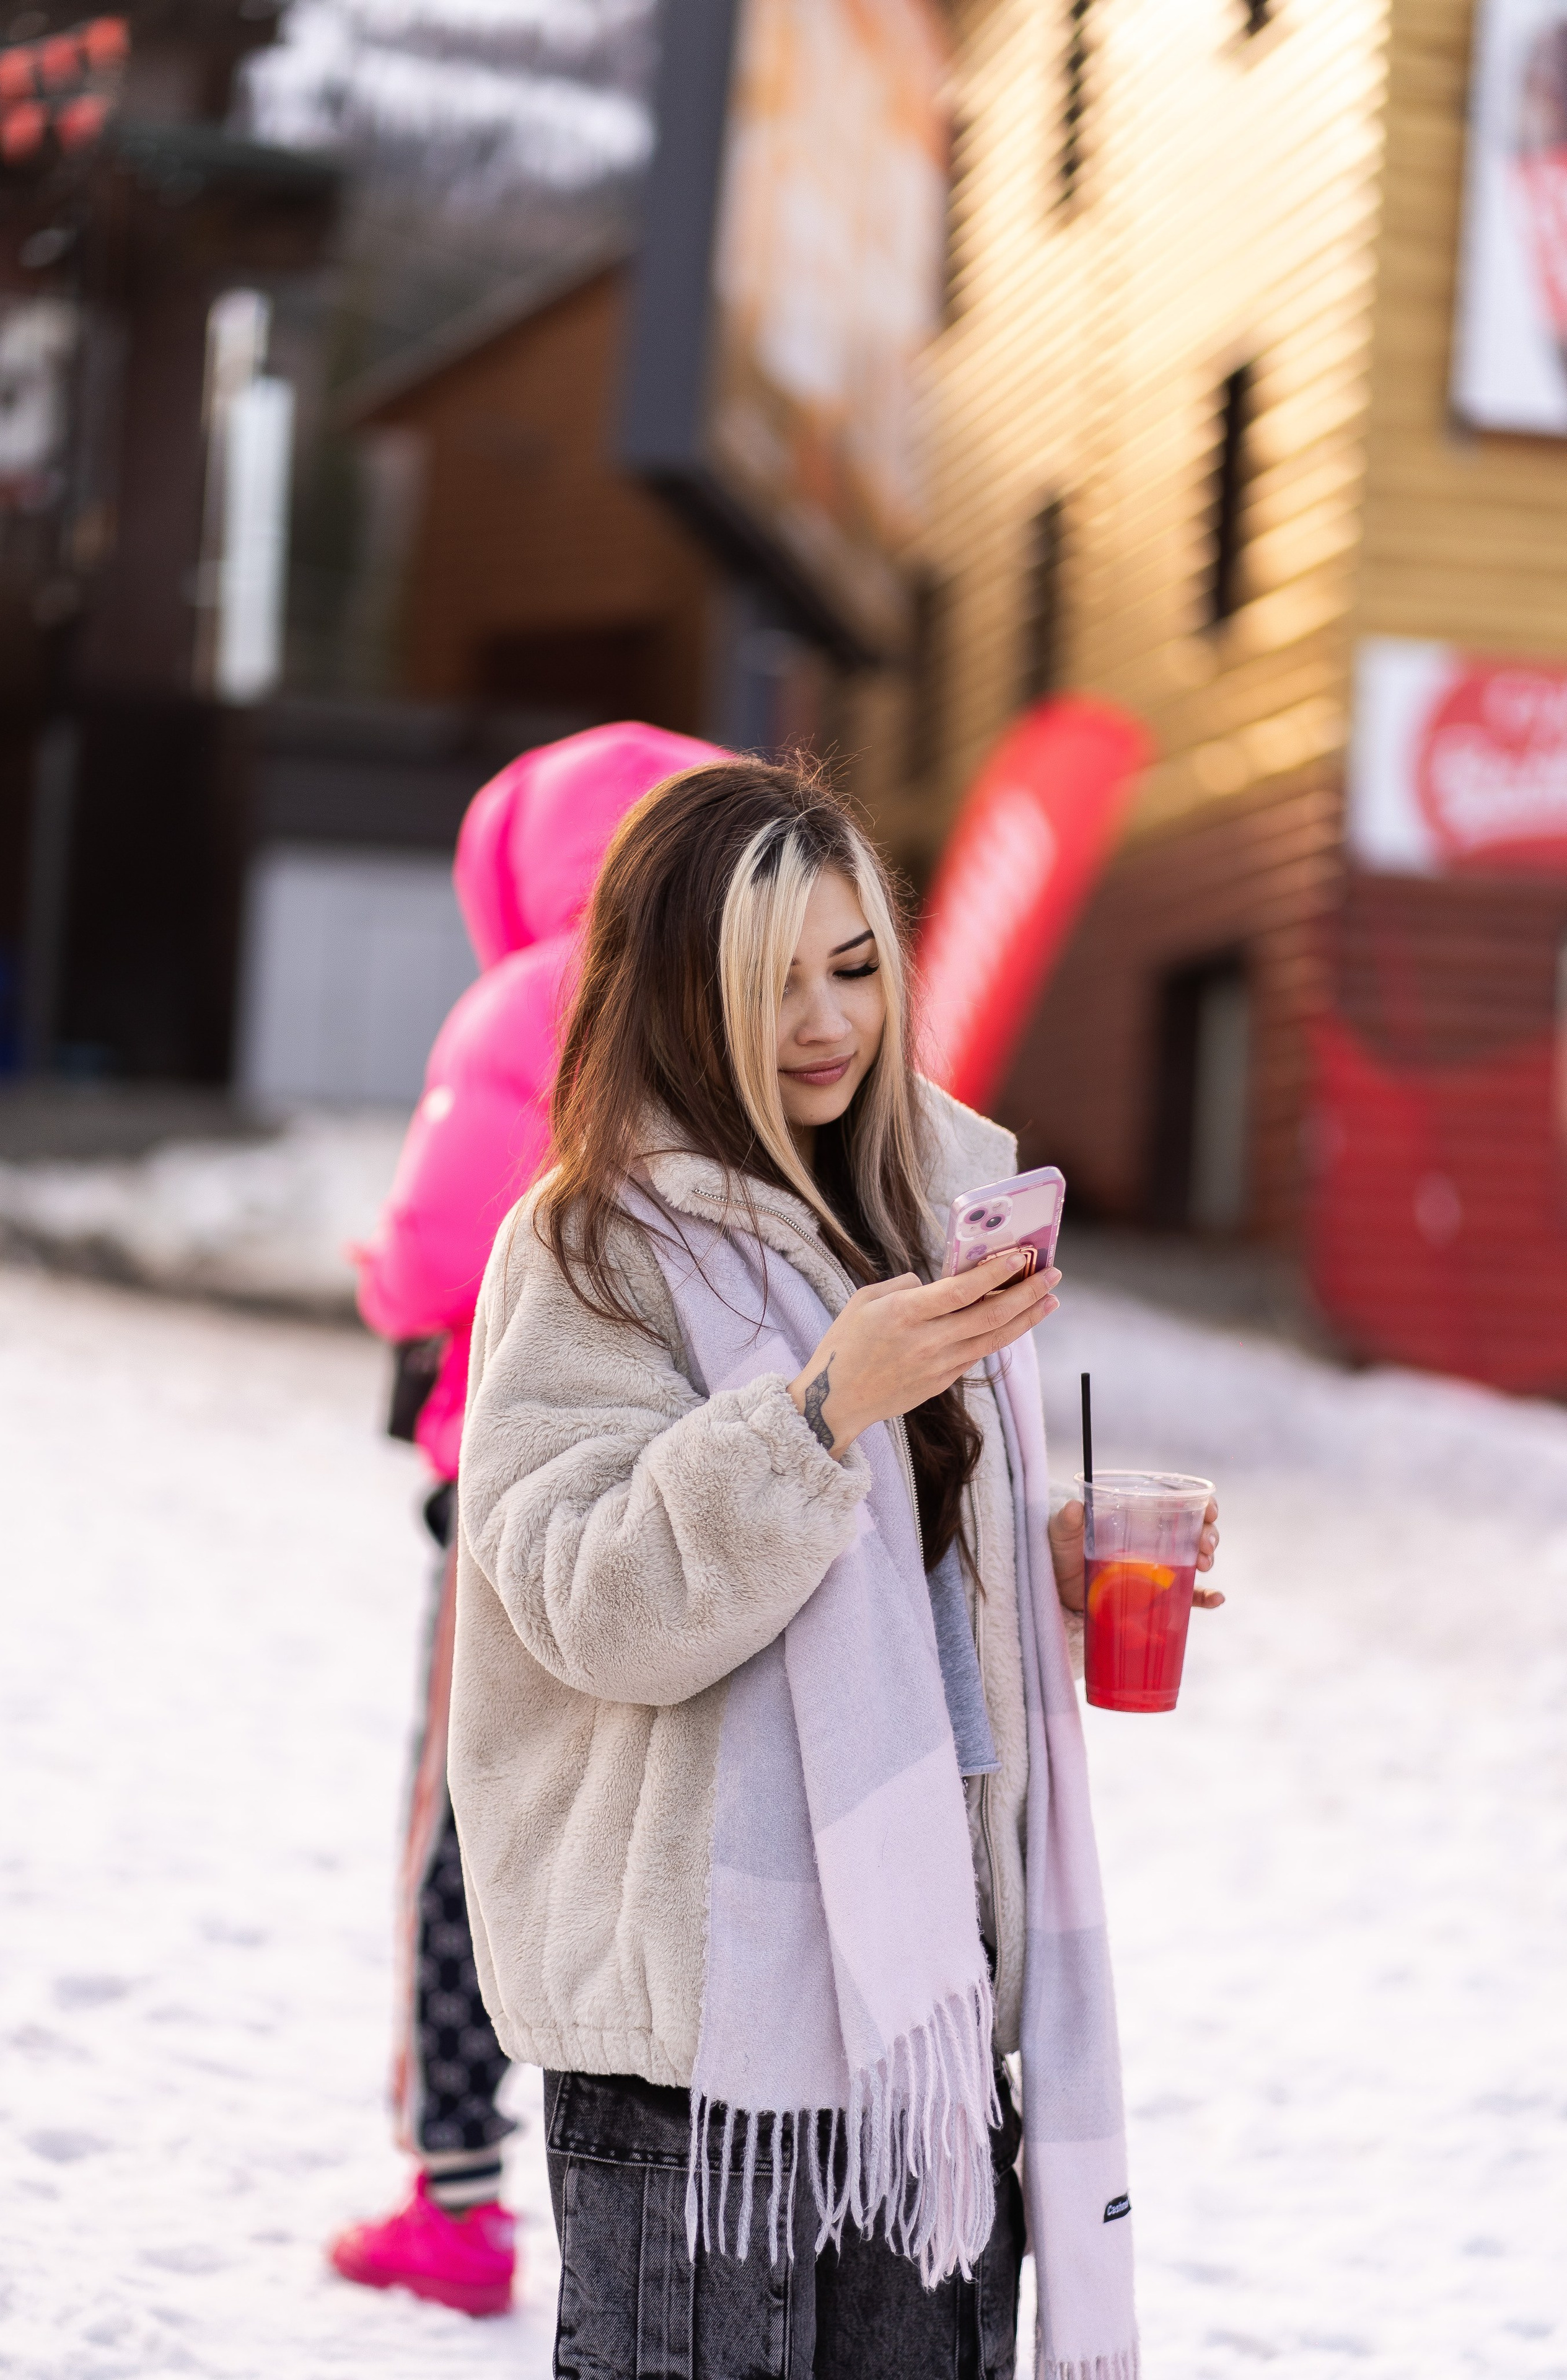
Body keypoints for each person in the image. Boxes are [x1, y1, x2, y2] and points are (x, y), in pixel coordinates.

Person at [451, 759, 1221, 2375]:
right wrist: (814, 1415)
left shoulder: (928, 1208)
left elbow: (897, 1565)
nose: (825, 1021)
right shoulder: (592, 1244)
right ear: (675, 991)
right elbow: (589, 1603)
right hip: (700, 2062)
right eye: (769, 982)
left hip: (925, 2023)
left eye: (854, 966)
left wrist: (1036, 1556)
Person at [330, 722, 723, 2317]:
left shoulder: (523, 1002)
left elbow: (435, 1251)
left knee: (467, 1817)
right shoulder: (721, 1000)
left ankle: (454, 2196)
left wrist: (379, 1276)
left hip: (512, 1487)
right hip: (682, 1508)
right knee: (650, 1830)